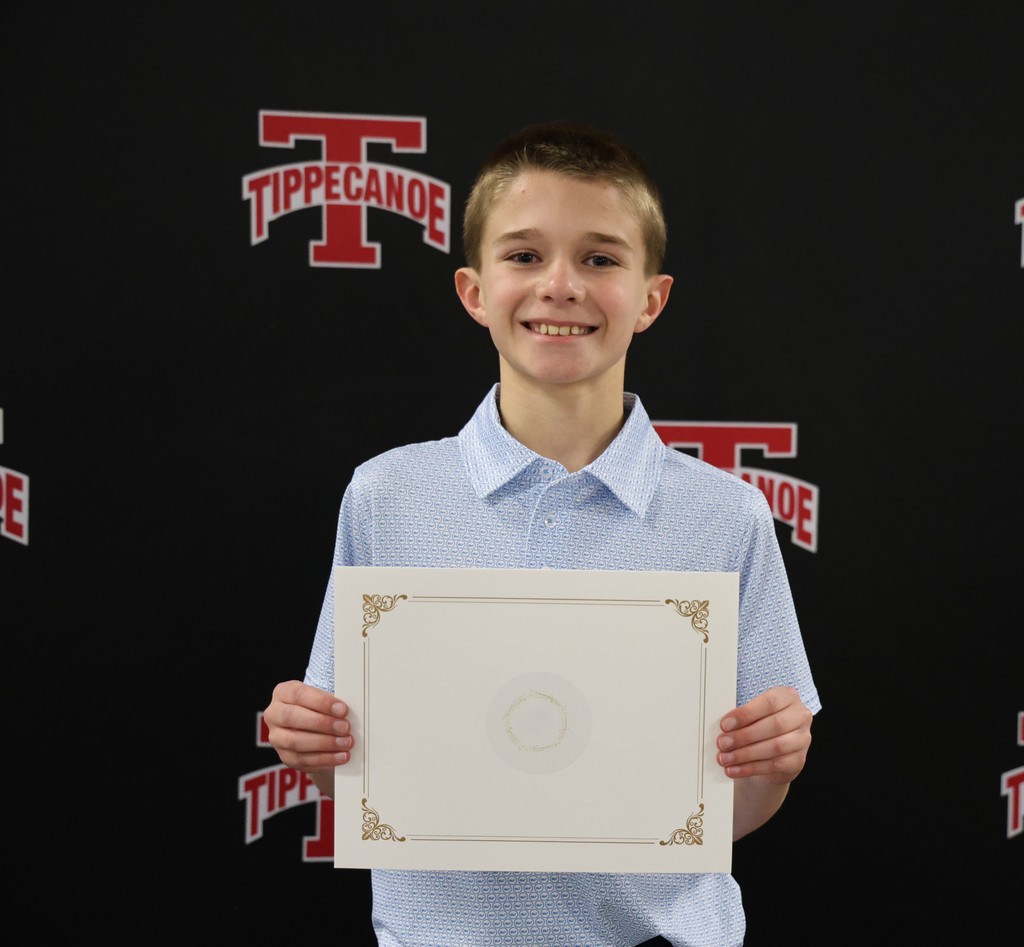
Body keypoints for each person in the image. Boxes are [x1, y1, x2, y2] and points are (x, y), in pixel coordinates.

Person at [264, 120, 820, 946]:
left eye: (600, 258)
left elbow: (731, 810)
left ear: (652, 298)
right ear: (473, 290)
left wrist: (773, 763)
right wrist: (315, 745)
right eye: (524, 255)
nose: (560, 285)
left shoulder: (725, 514)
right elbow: (362, 781)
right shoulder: (388, 496)